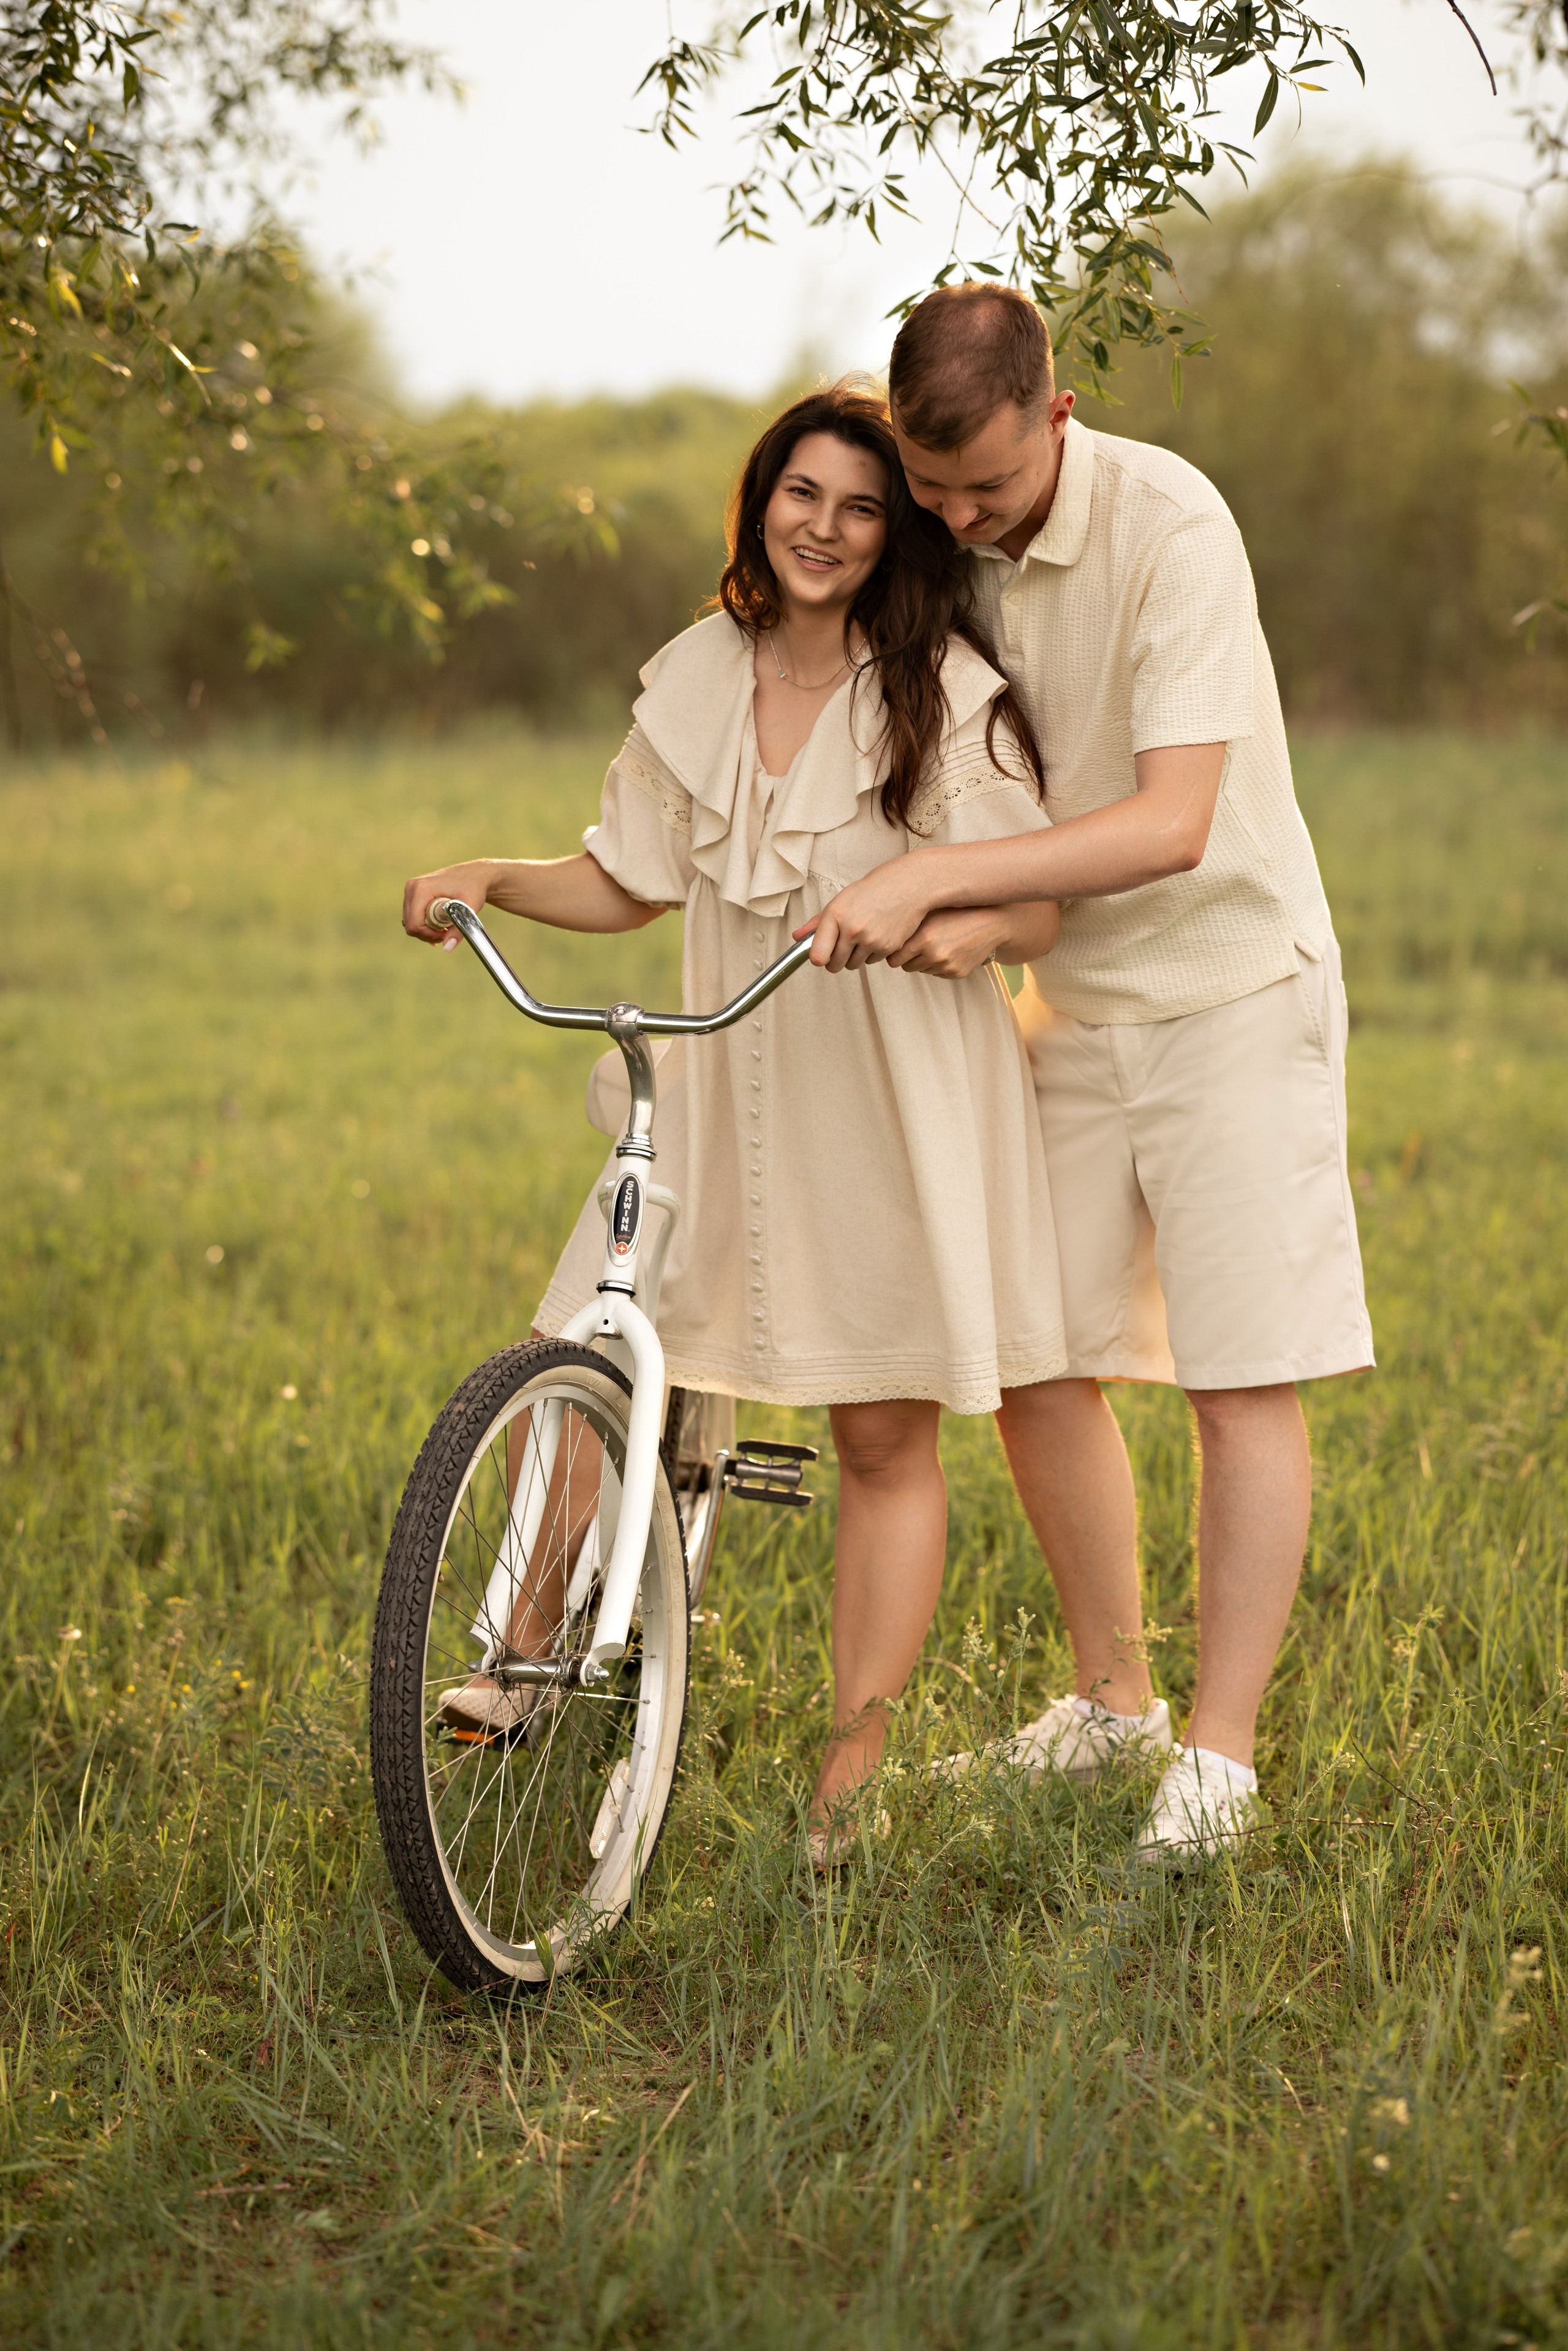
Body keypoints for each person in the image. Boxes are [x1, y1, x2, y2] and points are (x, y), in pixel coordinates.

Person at [402, 381, 1068, 1867]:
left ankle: (849, 1775)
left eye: (860, 506)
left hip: (883, 1092)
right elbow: (627, 875)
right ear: (760, 502)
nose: (822, 527)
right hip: (719, 1073)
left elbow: (1033, 903)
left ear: (894, 531)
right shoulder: (702, 671)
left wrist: (947, 926)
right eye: (800, 494)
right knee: (583, 1336)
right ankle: (524, 1651)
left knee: (878, 1429)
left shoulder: (940, 693)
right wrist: (491, 877)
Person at [801, 289, 1374, 1865]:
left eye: (984, 483)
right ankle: (1113, 1702)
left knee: (1236, 1375)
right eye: (929, 486)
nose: (954, 516)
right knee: (1034, 1351)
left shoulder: (1170, 524)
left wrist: (940, 885)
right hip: (1071, 1002)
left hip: (1231, 987)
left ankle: (1218, 1759)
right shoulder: (936, 528)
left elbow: (1172, 821)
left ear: (1055, 414)